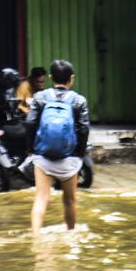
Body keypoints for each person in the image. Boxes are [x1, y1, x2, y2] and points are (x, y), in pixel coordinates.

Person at [26, 59, 89, 236]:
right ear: (72, 78)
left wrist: (30, 149)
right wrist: (80, 154)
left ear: (51, 77)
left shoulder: (40, 97)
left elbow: (30, 123)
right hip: (69, 158)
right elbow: (84, 129)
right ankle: (70, 235)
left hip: (43, 157)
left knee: (41, 198)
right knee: (69, 201)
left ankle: (36, 237)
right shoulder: (79, 100)